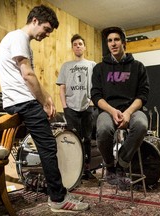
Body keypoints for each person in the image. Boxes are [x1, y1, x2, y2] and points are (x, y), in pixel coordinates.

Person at [0, 5, 89, 212]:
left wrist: (46, 97)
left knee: (47, 144)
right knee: (48, 147)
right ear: (35, 20)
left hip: (21, 100)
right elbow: (28, 75)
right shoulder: (19, 37)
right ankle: (58, 199)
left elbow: (30, 77)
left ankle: (59, 191)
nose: (46, 35)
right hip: (23, 101)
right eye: (46, 29)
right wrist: (44, 101)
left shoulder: (17, 39)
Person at [91, 26, 150, 190]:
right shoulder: (99, 68)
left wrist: (128, 113)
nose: (113, 43)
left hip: (133, 110)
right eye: (109, 40)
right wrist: (112, 111)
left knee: (142, 125)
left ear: (124, 42)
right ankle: (110, 166)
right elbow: (96, 96)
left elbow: (143, 95)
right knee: (103, 129)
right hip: (108, 111)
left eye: (116, 39)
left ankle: (122, 165)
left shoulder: (138, 66)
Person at [56, 34, 96, 180]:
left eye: (80, 43)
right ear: (72, 48)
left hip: (87, 106)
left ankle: (86, 169)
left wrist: (93, 102)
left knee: (86, 138)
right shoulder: (66, 66)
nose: (78, 46)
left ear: (84, 47)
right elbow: (62, 88)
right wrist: (65, 107)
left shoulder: (92, 65)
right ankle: (74, 170)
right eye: (75, 44)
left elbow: (97, 86)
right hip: (71, 108)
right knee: (74, 139)